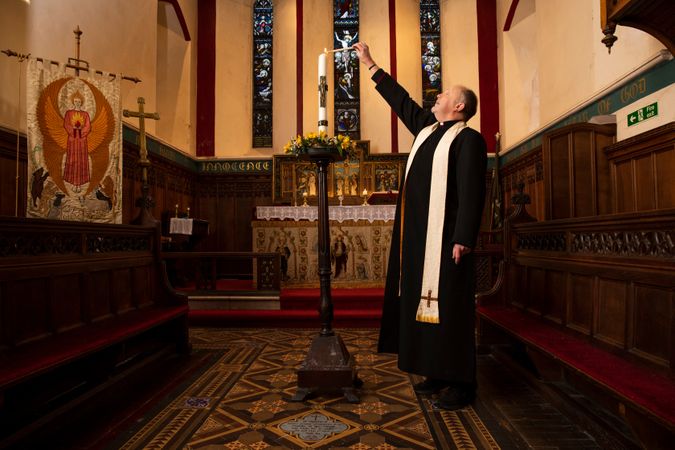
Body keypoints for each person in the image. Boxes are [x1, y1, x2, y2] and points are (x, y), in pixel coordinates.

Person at [354, 42, 487, 411]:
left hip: (446, 241)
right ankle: (435, 372)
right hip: (417, 240)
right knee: (425, 306)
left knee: (452, 308)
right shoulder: (429, 131)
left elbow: (473, 192)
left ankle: (462, 383)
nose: (438, 95)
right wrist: (371, 65)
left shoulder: (468, 140)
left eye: (445, 94)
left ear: (459, 106)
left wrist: (463, 237)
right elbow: (403, 102)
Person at [63, 91, 91, 192]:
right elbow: (66, 124)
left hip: (82, 141)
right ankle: (72, 182)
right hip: (72, 140)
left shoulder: (85, 114)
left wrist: (80, 132)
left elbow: (88, 126)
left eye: (79, 101)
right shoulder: (69, 113)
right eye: (75, 101)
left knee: (81, 160)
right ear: (73, 102)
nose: (77, 103)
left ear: (81, 102)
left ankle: (79, 184)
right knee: (73, 159)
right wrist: (74, 131)